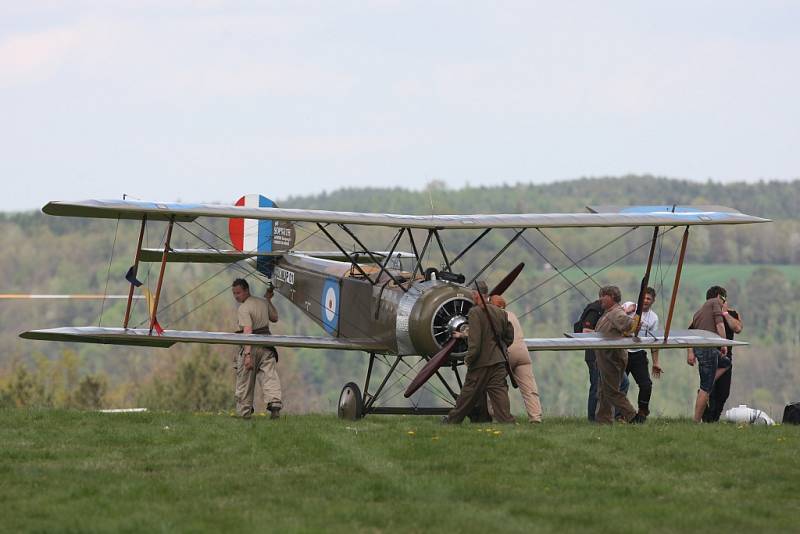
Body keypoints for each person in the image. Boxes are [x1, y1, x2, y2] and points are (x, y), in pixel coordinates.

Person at [443, 281, 515, 424]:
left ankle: (452, 421)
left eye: (472, 294)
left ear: (476, 294)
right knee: (500, 393)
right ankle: (507, 422)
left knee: (467, 394)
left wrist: (468, 359)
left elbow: (475, 343)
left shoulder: (475, 312)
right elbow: (509, 337)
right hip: (498, 361)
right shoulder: (500, 312)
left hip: (480, 363)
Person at [231, 278, 282, 419]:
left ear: (246, 290)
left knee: (245, 381)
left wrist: (247, 355)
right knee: (269, 375)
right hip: (267, 345)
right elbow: (275, 317)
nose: (236, 296)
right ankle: (275, 402)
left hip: (251, 347)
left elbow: (247, 330)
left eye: (238, 292)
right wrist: (268, 300)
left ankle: (244, 412)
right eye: (234, 293)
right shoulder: (262, 302)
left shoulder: (243, 308)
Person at [490, 295, 542, 423]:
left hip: (507, 353)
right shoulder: (512, 314)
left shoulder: (495, 316)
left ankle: (495, 415)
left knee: (494, 385)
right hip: (523, 353)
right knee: (529, 388)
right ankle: (535, 417)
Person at [577, 300, 629, 422]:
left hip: (607, 355)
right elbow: (585, 331)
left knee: (623, 383)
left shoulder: (611, 312)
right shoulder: (595, 310)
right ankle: (593, 419)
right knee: (597, 386)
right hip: (595, 354)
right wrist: (608, 334)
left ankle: (616, 416)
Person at [593, 286, 638, 424]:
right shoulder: (609, 312)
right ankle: (603, 421)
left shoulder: (616, 313)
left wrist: (635, 322)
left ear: (612, 296)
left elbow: (629, 325)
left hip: (612, 358)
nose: (601, 299)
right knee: (603, 392)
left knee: (611, 391)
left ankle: (633, 416)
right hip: (605, 358)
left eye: (604, 295)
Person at [686, 286, 732, 423]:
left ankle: (707, 385)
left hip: (701, 348)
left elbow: (691, 333)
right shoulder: (715, 303)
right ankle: (695, 422)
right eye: (724, 299)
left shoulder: (699, 312)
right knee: (705, 389)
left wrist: (691, 351)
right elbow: (720, 325)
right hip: (708, 349)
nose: (724, 303)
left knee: (726, 363)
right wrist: (724, 344)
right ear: (719, 296)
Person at [621, 288, 662, 422]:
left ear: (653, 301)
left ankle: (642, 412)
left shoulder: (654, 318)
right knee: (620, 384)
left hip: (638, 354)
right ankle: (620, 414)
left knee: (646, 385)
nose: (645, 301)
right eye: (643, 298)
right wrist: (627, 312)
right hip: (623, 352)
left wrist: (656, 362)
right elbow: (616, 317)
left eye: (648, 299)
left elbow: (654, 342)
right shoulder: (629, 306)